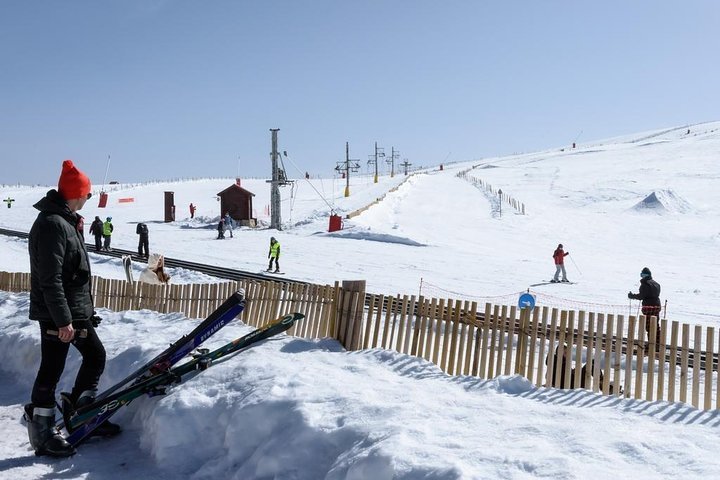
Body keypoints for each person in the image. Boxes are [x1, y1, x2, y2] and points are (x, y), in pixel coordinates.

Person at [25, 160, 120, 457]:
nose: (87, 199)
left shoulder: (65, 220)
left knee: (94, 356)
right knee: (53, 367)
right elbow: (49, 278)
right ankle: (42, 432)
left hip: (71, 311)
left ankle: (81, 412)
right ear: (76, 194)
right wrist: (63, 320)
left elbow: (72, 273)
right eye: (88, 194)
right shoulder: (53, 224)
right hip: (58, 313)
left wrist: (84, 313)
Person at [628, 267, 662, 348]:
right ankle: (658, 344)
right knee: (656, 325)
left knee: (649, 326)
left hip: (648, 308)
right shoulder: (657, 284)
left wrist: (632, 296)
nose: (641, 276)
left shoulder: (645, 284)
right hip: (657, 306)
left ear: (644, 275)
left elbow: (641, 296)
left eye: (642, 274)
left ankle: (651, 344)